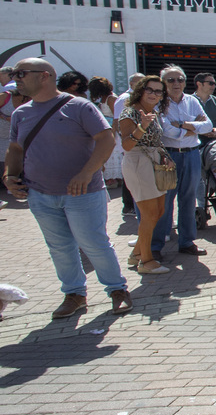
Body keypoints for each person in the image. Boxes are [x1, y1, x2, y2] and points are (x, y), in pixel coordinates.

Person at [3, 58, 131, 318]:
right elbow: (15, 149)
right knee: (59, 247)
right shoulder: (21, 113)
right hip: (40, 193)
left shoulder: (79, 107)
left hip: (83, 193)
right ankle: (74, 294)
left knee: (94, 243)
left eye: (22, 73)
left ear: (45, 76)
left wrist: (86, 173)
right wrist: (10, 176)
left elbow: (106, 140)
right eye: (14, 73)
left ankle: (117, 290)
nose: (16, 78)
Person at [150, 64, 213, 261]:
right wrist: (194, 128)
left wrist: (183, 125)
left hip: (192, 154)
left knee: (188, 199)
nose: (177, 83)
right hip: (169, 155)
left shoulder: (192, 101)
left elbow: (209, 126)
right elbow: (166, 131)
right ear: (163, 83)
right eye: (171, 80)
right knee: (165, 201)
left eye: (180, 79)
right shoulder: (159, 103)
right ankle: (156, 246)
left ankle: (186, 242)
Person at [117, 76, 170, 274]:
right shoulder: (129, 113)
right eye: (151, 90)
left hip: (154, 161)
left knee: (158, 211)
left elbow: (156, 140)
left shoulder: (153, 112)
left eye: (159, 91)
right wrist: (142, 127)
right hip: (138, 163)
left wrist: (164, 155)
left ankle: (137, 254)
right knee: (148, 214)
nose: (154, 94)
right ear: (141, 90)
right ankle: (145, 262)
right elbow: (127, 145)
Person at [113, 73, 144, 215]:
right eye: (139, 82)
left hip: (140, 142)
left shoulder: (140, 98)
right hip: (131, 143)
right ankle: (129, 206)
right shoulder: (125, 99)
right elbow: (118, 122)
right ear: (131, 84)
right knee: (131, 174)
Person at [88, 76, 124, 188]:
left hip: (112, 130)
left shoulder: (111, 98)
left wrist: (112, 134)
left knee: (113, 153)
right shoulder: (104, 98)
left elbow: (116, 117)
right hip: (106, 129)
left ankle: (114, 179)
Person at [193, 72, 216, 142]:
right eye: (211, 83)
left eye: (215, 84)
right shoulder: (188, 101)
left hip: (214, 142)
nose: (214, 86)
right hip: (193, 141)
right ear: (199, 84)